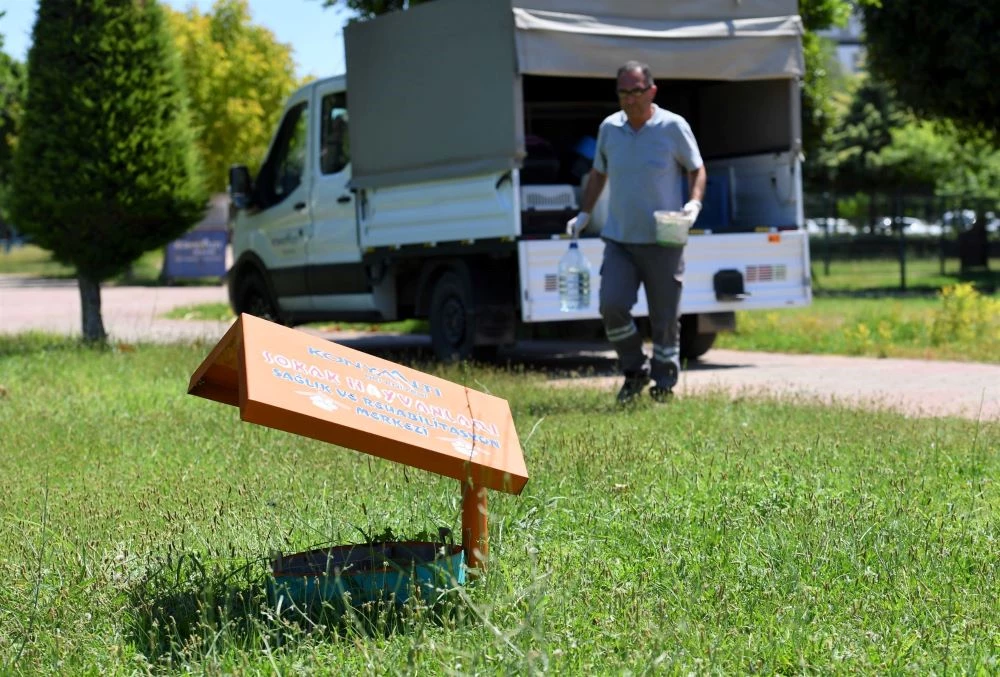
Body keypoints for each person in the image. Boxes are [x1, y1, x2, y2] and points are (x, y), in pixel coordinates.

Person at [567, 61, 706, 404]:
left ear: (652, 91)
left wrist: (693, 204)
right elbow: (599, 173)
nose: (630, 99)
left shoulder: (672, 126)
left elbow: (697, 168)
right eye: (623, 92)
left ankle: (664, 385)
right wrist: (585, 212)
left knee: (665, 318)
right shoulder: (610, 128)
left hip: (664, 238)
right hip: (620, 240)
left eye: (636, 91)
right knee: (611, 305)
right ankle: (634, 369)